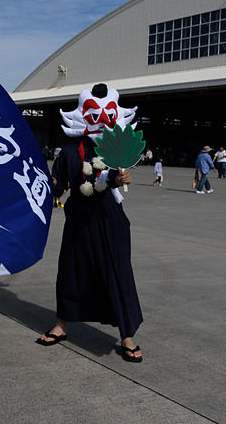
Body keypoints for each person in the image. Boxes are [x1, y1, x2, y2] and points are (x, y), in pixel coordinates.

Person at [36, 84, 143, 363]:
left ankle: (127, 335)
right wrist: (51, 183)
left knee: (117, 271)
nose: (100, 120)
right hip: (78, 217)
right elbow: (59, 186)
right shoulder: (69, 152)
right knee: (70, 269)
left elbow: (114, 177)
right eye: (94, 115)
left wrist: (120, 178)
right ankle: (61, 325)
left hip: (108, 217)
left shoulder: (115, 149)